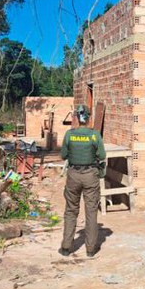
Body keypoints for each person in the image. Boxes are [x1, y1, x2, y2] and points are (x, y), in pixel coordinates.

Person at [59, 104, 106, 257]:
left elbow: (64, 155)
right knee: (91, 211)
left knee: (71, 210)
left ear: (77, 117)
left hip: (73, 175)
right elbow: (102, 155)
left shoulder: (69, 134)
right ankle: (90, 249)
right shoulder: (95, 135)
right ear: (89, 117)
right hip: (90, 175)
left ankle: (66, 247)